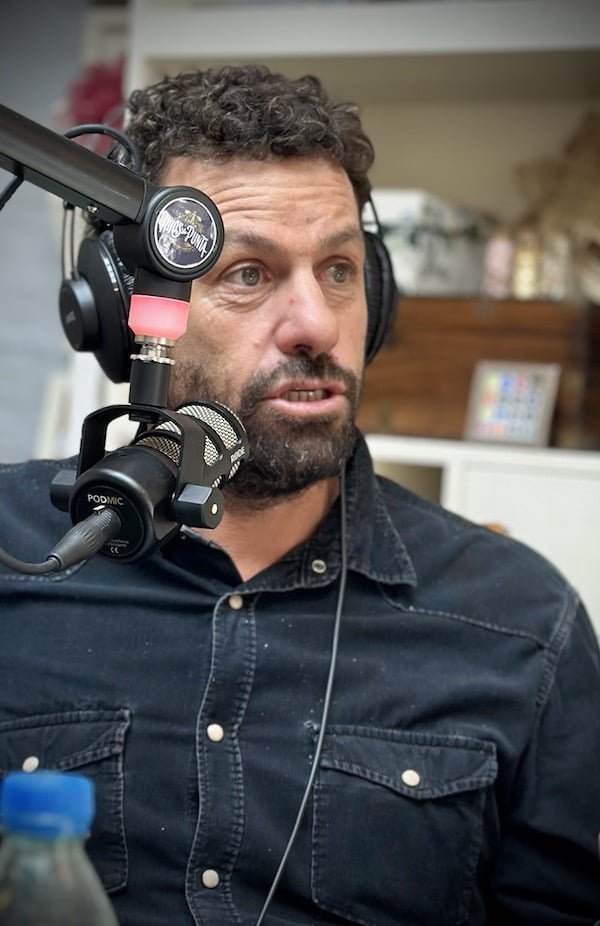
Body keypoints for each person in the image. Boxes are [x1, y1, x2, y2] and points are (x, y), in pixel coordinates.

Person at [0, 64, 599, 926]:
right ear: (131, 311)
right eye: (248, 273)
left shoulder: (524, 624)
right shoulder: (13, 556)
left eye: (341, 270)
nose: (317, 325)